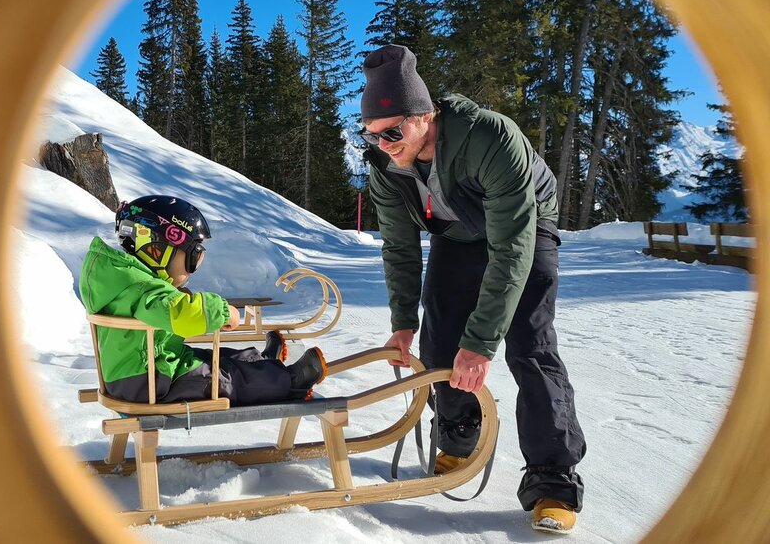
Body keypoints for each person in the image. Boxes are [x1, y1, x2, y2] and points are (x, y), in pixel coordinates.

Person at [359, 45, 586, 533]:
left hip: (526, 229)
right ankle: (460, 437)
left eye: (392, 132)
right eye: (373, 136)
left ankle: (553, 482)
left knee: (529, 343)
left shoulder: (489, 137)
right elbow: (399, 249)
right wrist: (402, 323)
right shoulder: (385, 168)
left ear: (424, 116)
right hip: (459, 235)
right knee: (440, 337)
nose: (384, 144)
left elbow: (511, 250)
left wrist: (480, 345)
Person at [79, 194, 327, 406]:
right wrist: (221, 311)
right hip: (149, 383)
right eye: (192, 257)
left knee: (212, 358)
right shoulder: (141, 287)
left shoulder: (125, 279)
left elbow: (160, 306)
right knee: (224, 379)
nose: (193, 267)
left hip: (147, 371)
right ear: (157, 247)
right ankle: (290, 381)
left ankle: (262, 364)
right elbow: (179, 314)